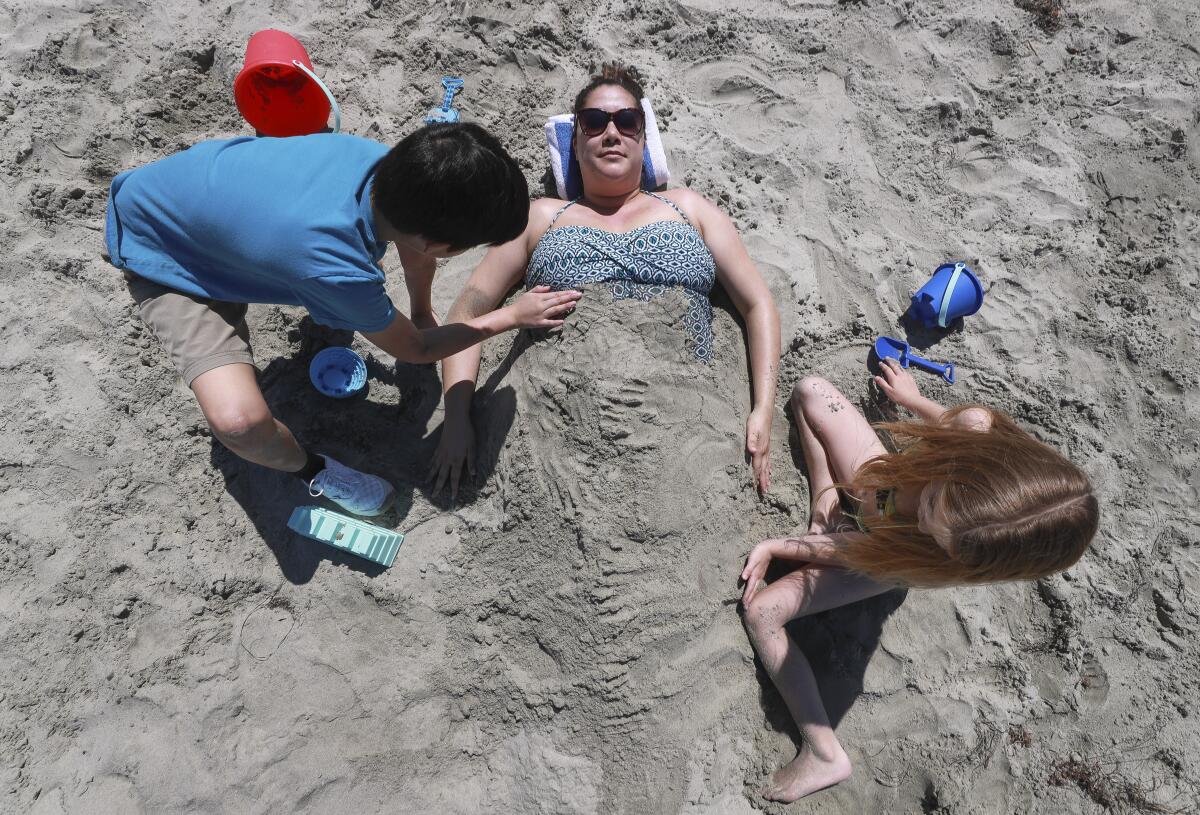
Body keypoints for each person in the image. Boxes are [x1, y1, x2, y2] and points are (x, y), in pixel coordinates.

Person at [106, 124, 581, 515]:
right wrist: (511, 315)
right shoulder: (335, 268)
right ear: (440, 244)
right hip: (164, 256)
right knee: (239, 423)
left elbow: (417, 256)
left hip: (193, 197)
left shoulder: (385, 165)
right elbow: (415, 349)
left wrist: (420, 311)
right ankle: (314, 470)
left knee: (349, 284)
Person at [738, 359, 1099, 802]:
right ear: (969, 464)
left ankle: (823, 751)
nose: (926, 521)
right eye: (934, 502)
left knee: (763, 612)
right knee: (810, 390)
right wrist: (912, 400)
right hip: (881, 485)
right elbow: (953, 424)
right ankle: (823, 503)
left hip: (880, 554)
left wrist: (783, 546)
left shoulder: (945, 554)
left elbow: (862, 551)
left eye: (939, 534)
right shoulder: (975, 430)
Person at [429, 64, 781, 498]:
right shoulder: (540, 216)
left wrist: (762, 410)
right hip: (560, 443)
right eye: (594, 123)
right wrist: (457, 417)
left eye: (626, 121)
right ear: (575, 143)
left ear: (642, 137)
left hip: (687, 439)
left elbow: (757, 303)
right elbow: (469, 310)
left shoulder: (689, 208)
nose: (610, 133)